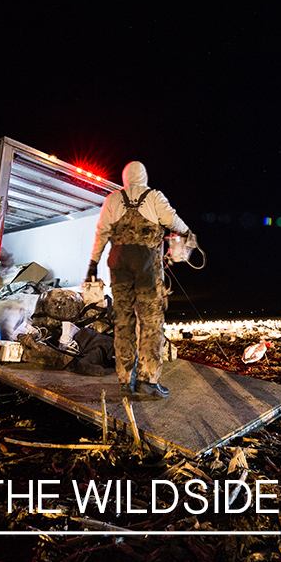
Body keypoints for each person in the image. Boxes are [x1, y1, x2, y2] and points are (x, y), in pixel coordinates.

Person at [86, 161, 191, 400]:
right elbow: (173, 220)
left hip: (119, 269)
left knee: (123, 322)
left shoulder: (112, 199)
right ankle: (148, 381)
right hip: (147, 271)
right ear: (144, 176)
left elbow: (101, 232)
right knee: (151, 323)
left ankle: (125, 381)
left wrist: (93, 263)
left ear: (125, 178)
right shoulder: (154, 197)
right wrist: (186, 232)